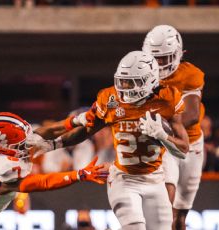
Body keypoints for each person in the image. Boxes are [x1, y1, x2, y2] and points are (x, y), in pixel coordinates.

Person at [28, 51, 189, 230]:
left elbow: (183, 149)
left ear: (150, 80)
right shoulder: (111, 99)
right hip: (124, 178)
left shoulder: (167, 99)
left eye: (133, 82)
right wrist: (54, 144)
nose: (126, 87)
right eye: (123, 81)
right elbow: (87, 130)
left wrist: (162, 136)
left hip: (155, 178)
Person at [0, 112, 108, 229]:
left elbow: (53, 133)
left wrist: (84, 119)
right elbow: (42, 182)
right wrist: (78, 174)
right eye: (21, 142)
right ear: (6, 147)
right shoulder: (2, 171)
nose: (27, 143)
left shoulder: (6, 150)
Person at [142, 24, 206, 229]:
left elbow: (192, 115)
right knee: (166, 195)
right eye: (155, 57)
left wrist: (161, 125)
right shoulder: (140, 75)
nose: (159, 64)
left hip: (192, 144)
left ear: (179, 54)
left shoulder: (191, 74)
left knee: (180, 216)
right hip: (165, 144)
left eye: (164, 58)